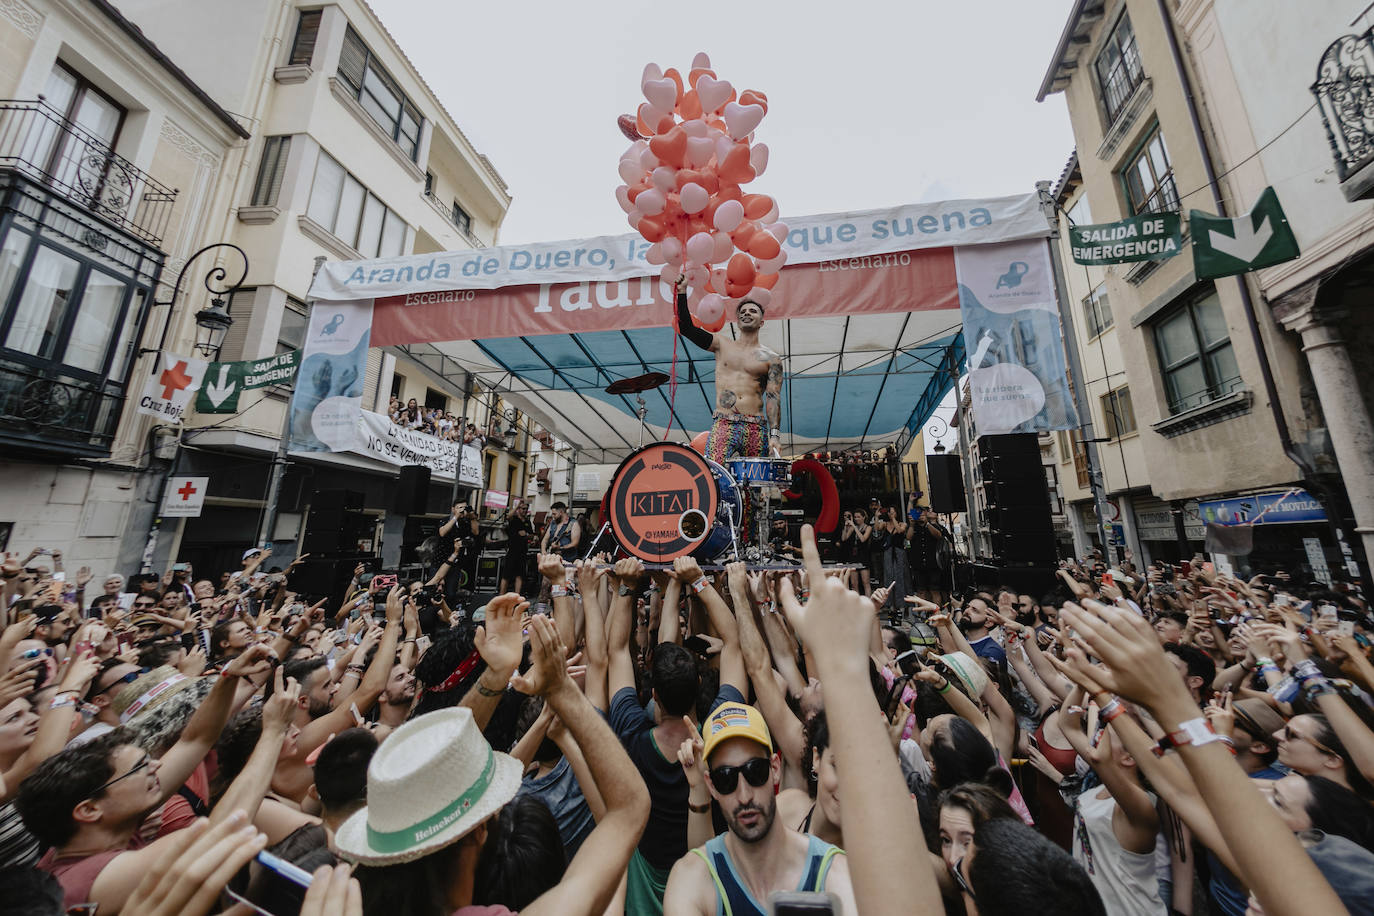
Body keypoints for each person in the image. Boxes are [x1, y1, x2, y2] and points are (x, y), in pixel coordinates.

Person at [341, 615, 649, 916]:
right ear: (479, 832)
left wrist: (496, 676)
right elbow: (628, 810)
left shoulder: (335, 897)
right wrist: (561, 691)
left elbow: (445, 765)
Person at [662, 701, 856, 915]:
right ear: (712, 786)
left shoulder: (835, 874)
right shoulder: (691, 880)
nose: (744, 796)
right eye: (726, 779)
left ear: (775, 769)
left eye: (755, 772)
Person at [674, 277, 784, 461]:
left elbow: (773, 397)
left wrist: (775, 435)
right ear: (738, 321)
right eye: (743, 311)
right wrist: (682, 292)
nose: (747, 313)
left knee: (755, 477)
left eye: (753, 311)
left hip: (755, 426)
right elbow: (686, 328)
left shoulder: (772, 358)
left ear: (761, 322)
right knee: (714, 472)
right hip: (724, 422)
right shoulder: (721, 345)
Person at [501, 501, 532, 595]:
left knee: (520, 575)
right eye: (523, 508)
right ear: (518, 509)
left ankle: (517, 596)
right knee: (506, 575)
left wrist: (527, 535)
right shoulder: (514, 519)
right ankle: (501, 595)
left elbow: (531, 534)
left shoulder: (527, 521)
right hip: (512, 550)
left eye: (526, 509)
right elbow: (508, 516)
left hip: (522, 551)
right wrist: (517, 505)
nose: (525, 511)